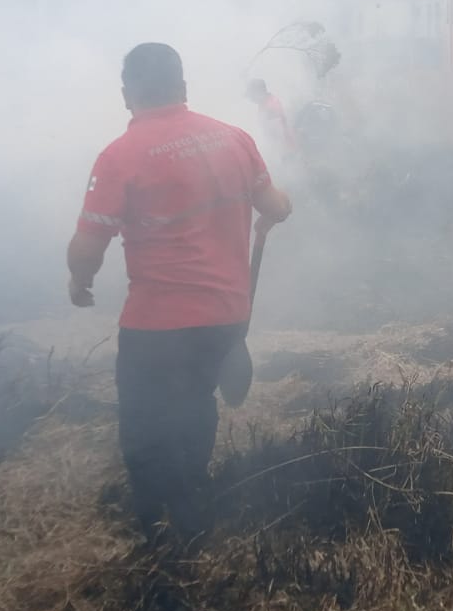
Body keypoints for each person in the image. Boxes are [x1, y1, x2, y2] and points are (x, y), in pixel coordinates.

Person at [68, 43, 292, 542]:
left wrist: (79, 282)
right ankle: (194, 508)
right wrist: (281, 207)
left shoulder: (119, 156)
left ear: (127, 94)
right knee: (197, 402)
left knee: (143, 422)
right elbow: (275, 205)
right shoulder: (235, 138)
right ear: (183, 88)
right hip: (227, 318)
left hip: (157, 325)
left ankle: (157, 529)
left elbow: (87, 246)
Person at [245, 78, 298, 161]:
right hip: (281, 149)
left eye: (252, 95)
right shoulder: (263, 103)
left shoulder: (271, 105)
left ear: (259, 92)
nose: (251, 98)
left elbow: (278, 133)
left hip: (286, 150)